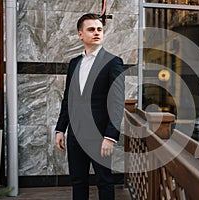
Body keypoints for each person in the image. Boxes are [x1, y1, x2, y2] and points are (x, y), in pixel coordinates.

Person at [54, 13, 125, 200]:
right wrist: (60, 129)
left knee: (104, 181)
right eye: (91, 29)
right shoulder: (74, 63)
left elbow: (117, 103)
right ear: (80, 34)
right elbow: (68, 98)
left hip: (100, 135)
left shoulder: (113, 62)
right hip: (75, 135)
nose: (96, 33)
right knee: (78, 181)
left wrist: (110, 136)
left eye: (99, 29)